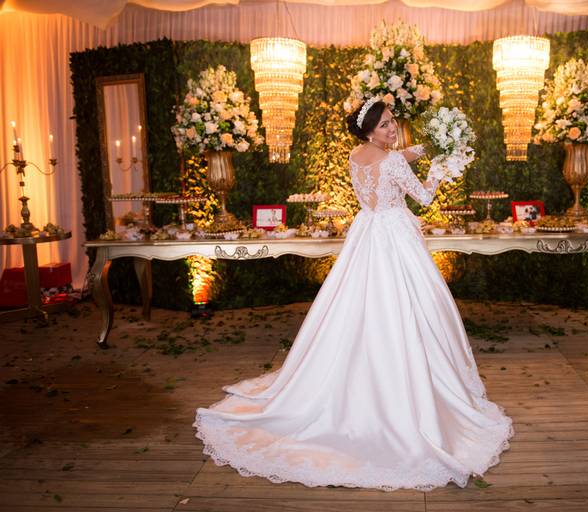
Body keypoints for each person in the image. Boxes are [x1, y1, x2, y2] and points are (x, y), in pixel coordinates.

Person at [193, 97, 514, 492]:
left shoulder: (356, 155)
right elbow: (424, 197)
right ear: (370, 131)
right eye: (385, 125)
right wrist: (439, 169)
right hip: (395, 236)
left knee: (355, 307)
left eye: (393, 121)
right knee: (406, 310)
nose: (393, 129)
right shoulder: (392, 161)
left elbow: (388, 163)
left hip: (368, 231)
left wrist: (417, 150)